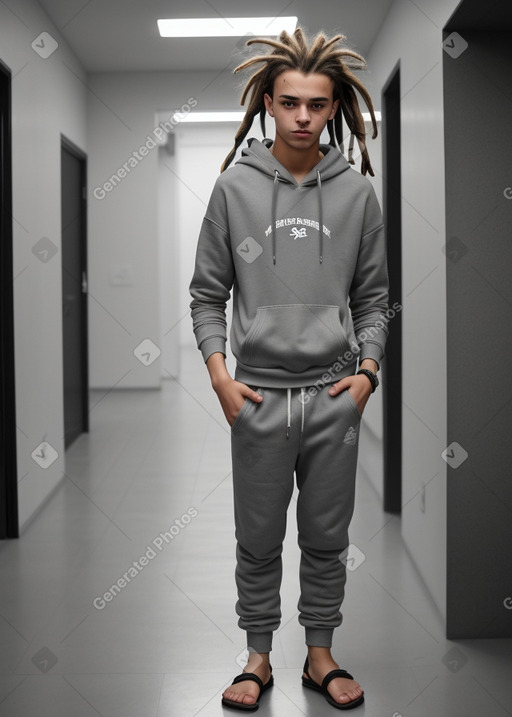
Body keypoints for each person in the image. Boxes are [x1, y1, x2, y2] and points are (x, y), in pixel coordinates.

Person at [189, 27, 389, 711]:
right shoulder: (232, 191)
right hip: (260, 398)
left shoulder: (359, 195)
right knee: (259, 535)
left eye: (318, 104)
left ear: (334, 108)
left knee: (328, 537)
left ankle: (321, 653)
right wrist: (221, 376)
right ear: (269, 104)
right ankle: (257, 656)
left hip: (335, 395)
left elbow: (375, 299)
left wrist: (366, 374)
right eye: (291, 102)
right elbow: (206, 293)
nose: (303, 116)